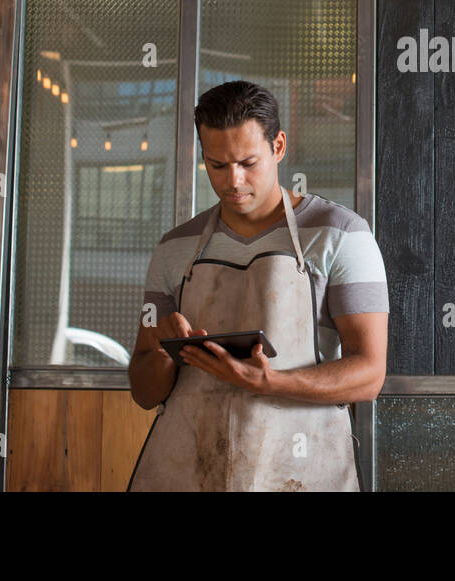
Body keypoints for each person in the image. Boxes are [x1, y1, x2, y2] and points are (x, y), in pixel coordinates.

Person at [126, 80, 388, 491]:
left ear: (278, 146)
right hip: (190, 471)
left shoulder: (341, 235)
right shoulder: (175, 248)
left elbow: (369, 374)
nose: (233, 180)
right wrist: (163, 351)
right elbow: (144, 392)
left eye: (248, 162)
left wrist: (269, 383)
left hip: (299, 471)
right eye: (217, 165)